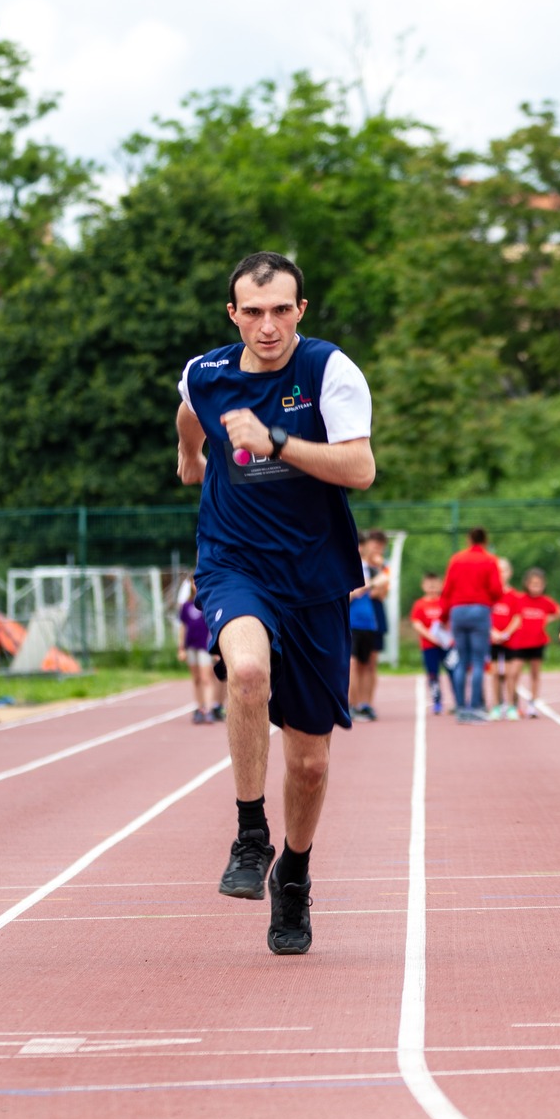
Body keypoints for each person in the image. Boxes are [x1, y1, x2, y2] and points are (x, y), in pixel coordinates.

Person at [174, 250, 375, 956]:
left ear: (300, 310)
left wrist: (278, 440)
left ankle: (294, 871)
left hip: (315, 576)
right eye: (254, 312)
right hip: (234, 563)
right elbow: (189, 410)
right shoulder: (206, 372)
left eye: (281, 310)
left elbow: (360, 467)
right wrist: (190, 456)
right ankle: (250, 831)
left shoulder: (329, 371)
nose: (268, 326)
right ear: (233, 314)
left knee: (311, 763)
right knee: (249, 671)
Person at [442, 527, 504, 725]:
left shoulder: (456, 559)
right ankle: (475, 707)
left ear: (469, 539)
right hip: (479, 610)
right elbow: (497, 589)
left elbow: (447, 589)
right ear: (485, 540)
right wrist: (487, 602)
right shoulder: (490, 560)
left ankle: (461, 707)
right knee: (478, 661)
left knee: (462, 660)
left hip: (458, 611)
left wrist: (444, 616)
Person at [348, 529, 391, 722]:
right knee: (352, 664)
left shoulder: (375, 568)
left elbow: (380, 592)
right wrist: (365, 587)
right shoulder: (348, 567)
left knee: (368, 664)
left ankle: (365, 705)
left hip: (369, 622)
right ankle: (352, 704)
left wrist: (373, 582)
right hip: (351, 621)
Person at [506, 567, 560, 719]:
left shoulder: (545, 601)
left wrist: (547, 619)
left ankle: (532, 703)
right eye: (533, 584)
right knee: (513, 673)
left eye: (539, 584)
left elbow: (558, 611)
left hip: (538, 642)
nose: (536, 587)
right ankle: (512, 704)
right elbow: (513, 615)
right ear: (527, 584)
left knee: (535, 673)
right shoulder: (520, 599)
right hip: (520, 642)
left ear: (543, 585)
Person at [409, 570, 457, 715]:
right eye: (429, 585)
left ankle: (458, 701)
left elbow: (452, 620)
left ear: (441, 585)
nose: (432, 588)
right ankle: (437, 702)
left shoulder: (445, 602)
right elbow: (417, 624)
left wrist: (449, 636)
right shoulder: (420, 604)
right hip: (429, 646)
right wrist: (432, 637)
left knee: (454, 672)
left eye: (435, 585)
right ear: (423, 586)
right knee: (433, 674)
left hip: (447, 645)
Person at [177, 578, 220, 724]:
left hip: (205, 647)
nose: (196, 585)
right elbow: (183, 627)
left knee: (206, 678)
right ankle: (199, 707)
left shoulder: (209, 603)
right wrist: (181, 647)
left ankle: (208, 709)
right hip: (191, 646)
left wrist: (217, 648)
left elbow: (215, 625)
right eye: (193, 582)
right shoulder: (186, 606)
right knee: (196, 679)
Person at [487, 555, 518, 720]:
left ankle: (511, 706)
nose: (501, 573)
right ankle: (496, 706)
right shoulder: (489, 595)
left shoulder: (514, 595)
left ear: (510, 573)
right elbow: (485, 615)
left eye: (504, 570)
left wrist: (505, 633)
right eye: (498, 571)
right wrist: (493, 632)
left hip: (509, 641)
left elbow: (517, 618)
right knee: (494, 673)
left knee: (509, 674)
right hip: (492, 640)